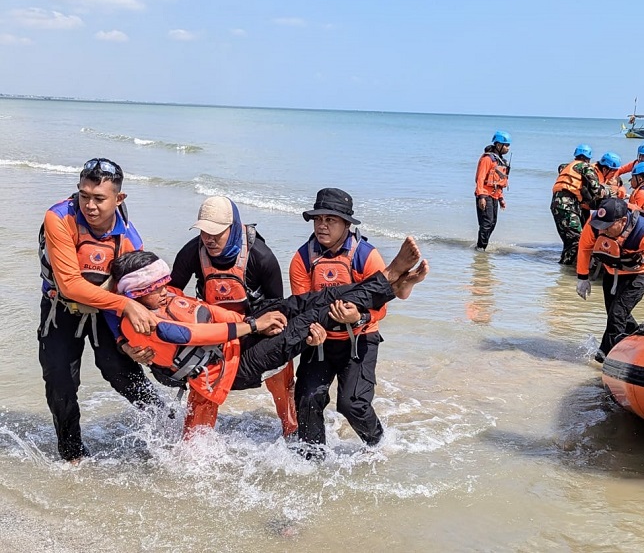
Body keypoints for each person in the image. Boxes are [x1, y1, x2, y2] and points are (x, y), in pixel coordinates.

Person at [110, 242, 427, 438]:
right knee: (316, 317)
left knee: (311, 301)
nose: (166, 288)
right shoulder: (143, 322)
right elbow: (190, 334)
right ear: (134, 293)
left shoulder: (161, 299)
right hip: (234, 368)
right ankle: (387, 281)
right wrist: (251, 325)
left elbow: (210, 314)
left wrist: (256, 325)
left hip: (239, 342)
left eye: (165, 281)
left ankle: (386, 282)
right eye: (156, 286)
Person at [37, 157, 162, 462]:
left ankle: (167, 425)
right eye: (83, 195)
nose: (89, 206)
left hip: (105, 312)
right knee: (60, 381)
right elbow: (70, 285)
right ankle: (72, 454)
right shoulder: (59, 219)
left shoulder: (130, 239)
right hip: (60, 307)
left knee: (120, 371)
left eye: (99, 198)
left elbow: (133, 296)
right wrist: (127, 304)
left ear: (119, 199)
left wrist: (127, 342)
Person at [290, 188, 428, 454]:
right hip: (321, 342)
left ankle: (381, 446)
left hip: (360, 340)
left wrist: (359, 317)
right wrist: (311, 330)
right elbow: (301, 306)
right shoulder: (302, 259)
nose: (322, 225)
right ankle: (312, 459)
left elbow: (381, 310)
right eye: (318, 219)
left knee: (352, 404)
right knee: (308, 398)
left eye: (330, 220)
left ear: (346, 224)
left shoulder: (365, 255)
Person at [165, 195, 297, 437]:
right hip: (215, 334)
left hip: (256, 329)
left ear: (234, 227)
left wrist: (259, 329)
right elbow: (170, 296)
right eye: (204, 232)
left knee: (280, 374)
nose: (209, 239)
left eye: (217, 232)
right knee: (202, 391)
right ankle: (194, 449)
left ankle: (292, 431)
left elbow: (276, 306)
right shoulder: (191, 252)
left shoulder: (262, 257)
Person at [576, 198, 644, 362]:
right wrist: (582, 277)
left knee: (617, 314)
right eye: (601, 226)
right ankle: (639, 344)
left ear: (622, 221)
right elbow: (584, 247)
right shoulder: (595, 224)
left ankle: (606, 357)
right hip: (612, 270)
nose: (603, 231)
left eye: (607, 227)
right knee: (617, 316)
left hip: (639, 273)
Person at [551, 144, 610, 265]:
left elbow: (561, 168)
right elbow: (596, 190)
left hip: (557, 204)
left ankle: (564, 269)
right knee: (576, 240)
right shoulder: (585, 167)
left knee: (569, 240)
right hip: (568, 205)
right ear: (588, 158)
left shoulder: (568, 166)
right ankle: (566, 272)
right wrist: (609, 192)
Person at [474, 130, 511, 250]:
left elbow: (499, 182)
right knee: (486, 223)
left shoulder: (500, 161)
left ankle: (482, 246)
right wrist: (481, 196)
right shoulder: (487, 159)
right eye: (506, 145)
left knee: (493, 223)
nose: (508, 148)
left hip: (495, 195)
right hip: (485, 195)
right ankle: (480, 248)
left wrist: (501, 198)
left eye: (508, 145)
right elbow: (480, 178)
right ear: (498, 145)